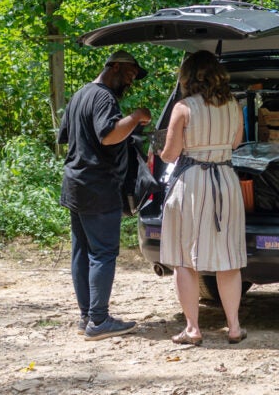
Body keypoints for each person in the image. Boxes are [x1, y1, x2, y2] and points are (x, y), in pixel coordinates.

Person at [58, 50, 153, 341]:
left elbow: (65, 137)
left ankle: (87, 316)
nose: (130, 81)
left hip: (76, 182)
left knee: (82, 251)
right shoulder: (103, 97)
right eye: (128, 74)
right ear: (112, 67)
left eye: (134, 77)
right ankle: (99, 320)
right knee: (102, 253)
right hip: (97, 186)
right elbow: (108, 134)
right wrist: (135, 117)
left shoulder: (79, 95)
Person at [159, 50, 248, 345]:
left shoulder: (183, 108)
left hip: (193, 181)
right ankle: (234, 326)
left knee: (184, 258)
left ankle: (193, 328)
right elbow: (235, 143)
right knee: (228, 257)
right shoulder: (234, 105)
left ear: (188, 77)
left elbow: (170, 154)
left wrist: (158, 151)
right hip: (225, 179)